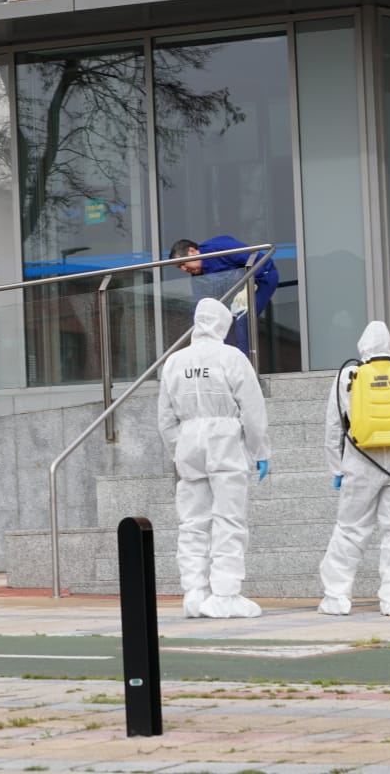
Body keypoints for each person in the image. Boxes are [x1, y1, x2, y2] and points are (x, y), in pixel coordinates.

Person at [157, 297, 271, 619]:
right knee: (229, 519)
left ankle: (194, 592)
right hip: (224, 439)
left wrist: (179, 448)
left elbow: (165, 418)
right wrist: (259, 449)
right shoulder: (231, 357)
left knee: (193, 522)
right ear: (222, 324)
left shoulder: (174, 362)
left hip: (189, 441)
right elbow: (252, 409)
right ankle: (225, 592)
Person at [317, 320, 390, 616]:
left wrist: (336, 467)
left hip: (360, 462)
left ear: (362, 348)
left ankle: (336, 598)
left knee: (349, 530)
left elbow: (333, 428)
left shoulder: (348, 376)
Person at [169, 235, 279, 357]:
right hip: (233, 293)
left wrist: (250, 285)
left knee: (243, 320)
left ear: (192, 251)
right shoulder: (198, 277)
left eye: (183, 264)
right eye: (180, 268)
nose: (184, 269)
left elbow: (258, 259)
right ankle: (226, 362)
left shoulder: (219, 248)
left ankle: (245, 366)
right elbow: (201, 304)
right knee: (222, 327)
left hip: (261, 278)